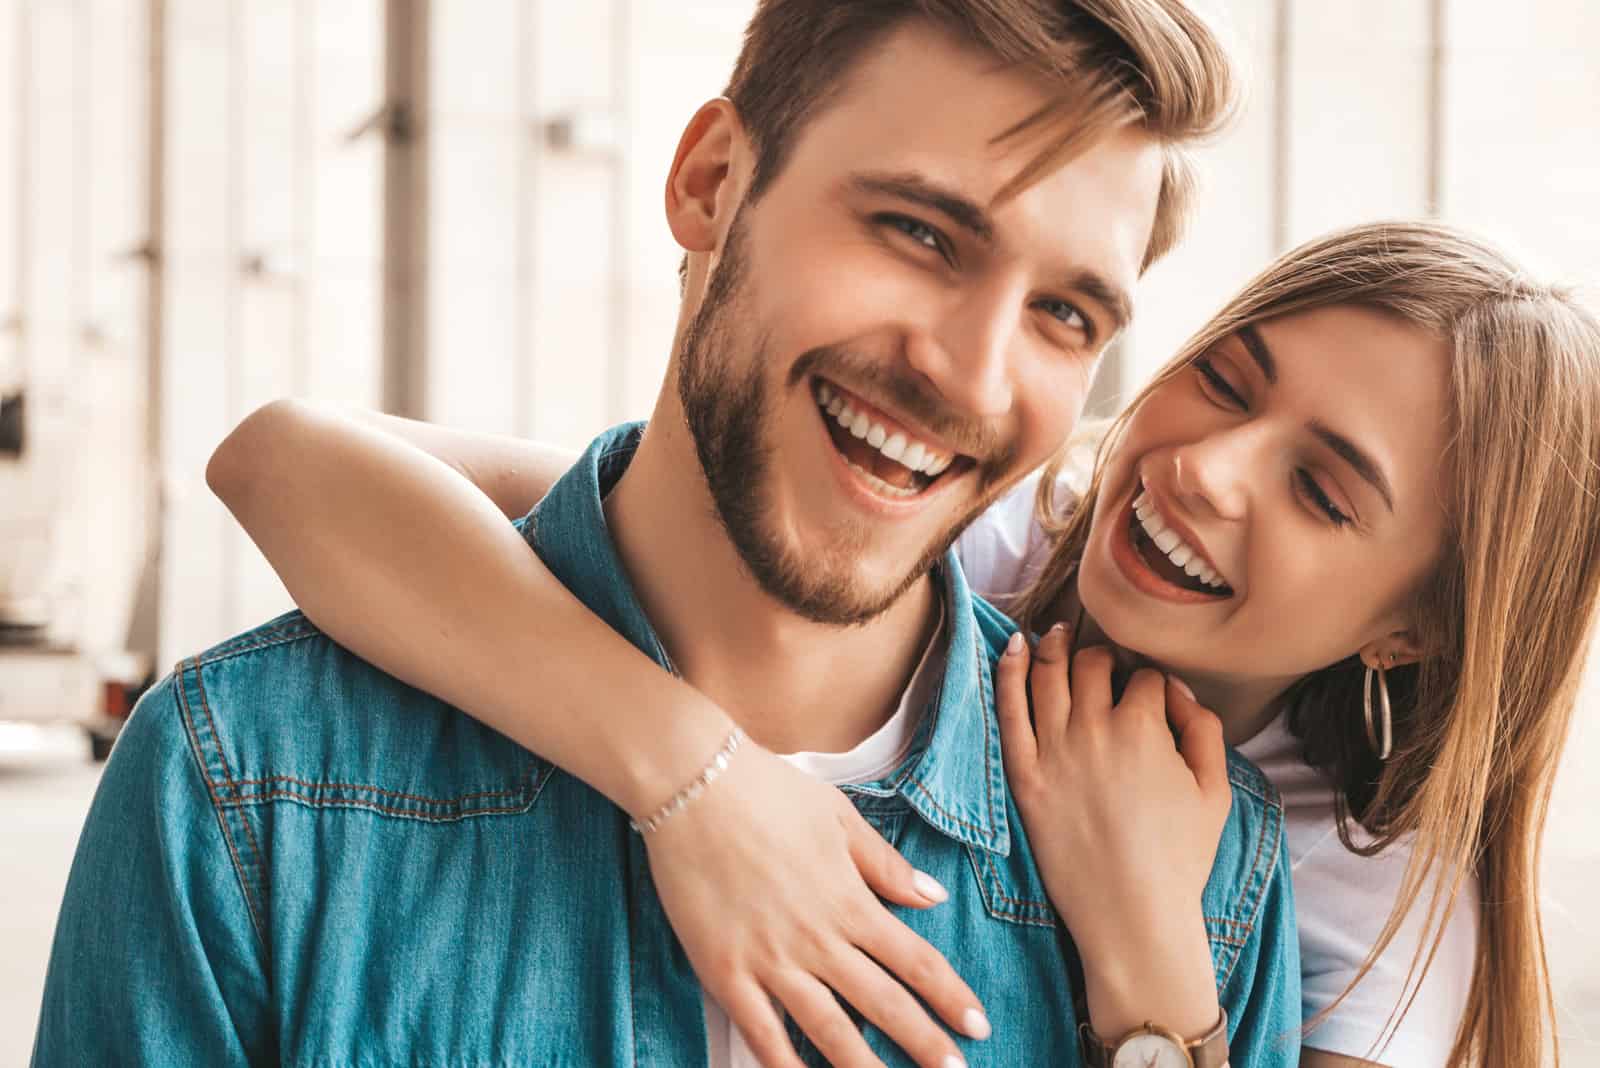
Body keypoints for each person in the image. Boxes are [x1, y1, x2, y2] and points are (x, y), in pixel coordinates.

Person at [33, 3, 1301, 1067]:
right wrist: (690, 775)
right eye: (919, 233)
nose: (971, 378)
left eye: (1066, 316)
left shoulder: (1194, 885)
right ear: (710, 184)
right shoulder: (249, 782)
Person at [205, 221, 1600, 1068]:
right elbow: (291, 462)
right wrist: (697, 779)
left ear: (1413, 628)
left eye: (1322, 490)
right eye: (1227, 380)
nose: (1209, 471)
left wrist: (1151, 966)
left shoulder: (1383, 909)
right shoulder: (961, 538)